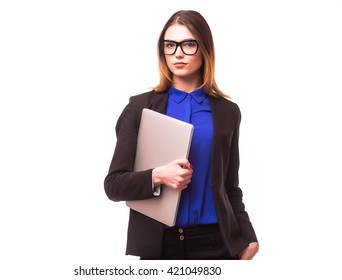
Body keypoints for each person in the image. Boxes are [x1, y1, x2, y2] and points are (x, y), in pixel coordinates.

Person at [104, 10, 259, 260]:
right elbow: (113, 186)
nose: (177, 53)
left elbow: (230, 186)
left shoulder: (228, 112)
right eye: (170, 45)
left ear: (204, 49)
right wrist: (158, 176)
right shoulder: (139, 107)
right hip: (159, 246)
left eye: (188, 44)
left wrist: (249, 238)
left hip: (216, 244)